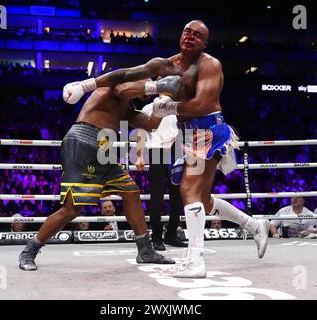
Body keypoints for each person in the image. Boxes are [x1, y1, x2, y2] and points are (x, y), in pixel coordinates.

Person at [63, 20, 270, 278]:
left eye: (198, 35)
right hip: (188, 133)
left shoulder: (210, 65)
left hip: (208, 128)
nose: (190, 37)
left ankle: (196, 262)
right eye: (187, 32)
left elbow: (202, 105)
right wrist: (85, 85)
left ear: (204, 43)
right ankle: (254, 225)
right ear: (180, 36)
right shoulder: (165, 64)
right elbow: (125, 74)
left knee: (188, 190)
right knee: (201, 201)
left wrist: (166, 107)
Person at [18, 77, 183, 271]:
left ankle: (145, 250)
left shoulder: (126, 107)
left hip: (105, 148)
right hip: (83, 142)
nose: (145, 93)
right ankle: (29, 250)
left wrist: (162, 108)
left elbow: (149, 125)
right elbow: (128, 87)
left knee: (131, 192)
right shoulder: (112, 87)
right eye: (145, 84)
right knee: (72, 209)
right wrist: (158, 86)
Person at [135, 101, 187, 251]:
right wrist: (139, 156)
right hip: (157, 151)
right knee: (156, 196)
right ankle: (157, 238)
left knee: (177, 195)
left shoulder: (179, 105)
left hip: (177, 150)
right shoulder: (148, 107)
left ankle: (171, 234)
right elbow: (141, 132)